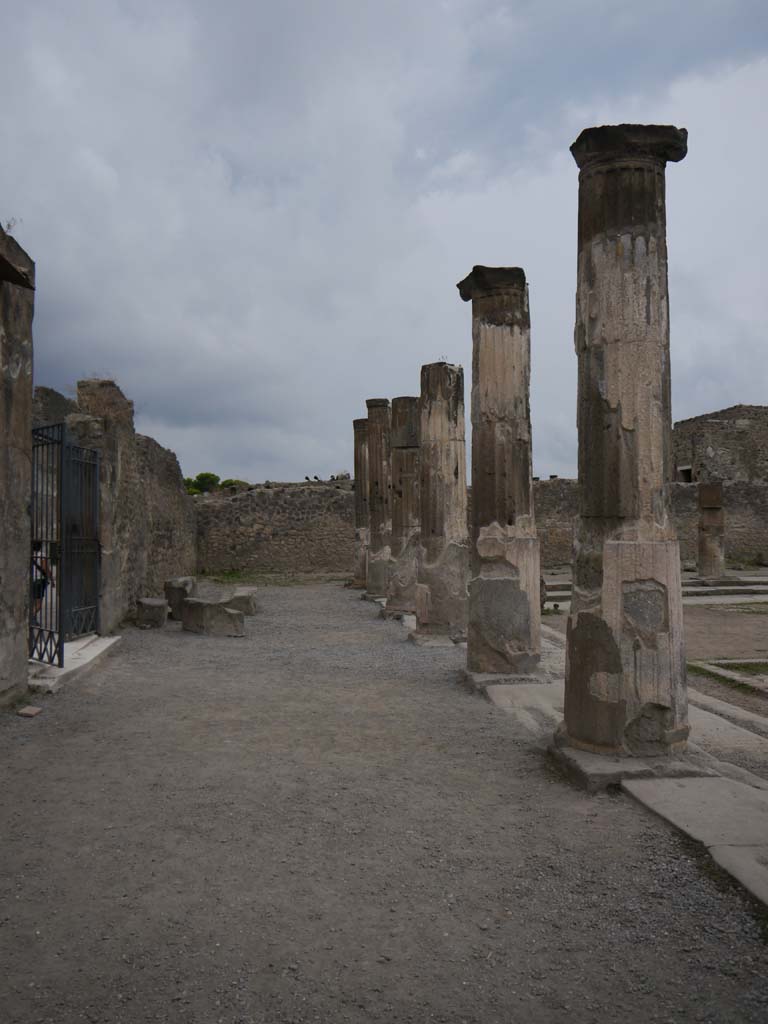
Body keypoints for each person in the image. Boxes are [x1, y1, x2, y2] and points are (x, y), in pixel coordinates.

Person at [31, 541, 53, 625]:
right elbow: (44, 567)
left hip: (32, 580)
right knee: (39, 604)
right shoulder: (42, 554)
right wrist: (50, 576)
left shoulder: (31, 555)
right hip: (39, 581)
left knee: (33, 602)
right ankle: (31, 618)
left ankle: (33, 619)